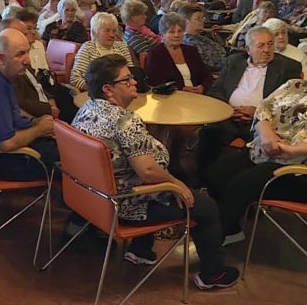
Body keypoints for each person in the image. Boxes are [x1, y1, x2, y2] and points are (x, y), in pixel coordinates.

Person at [72, 54, 239, 289]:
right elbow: (149, 171)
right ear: (108, 89)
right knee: (207, 207)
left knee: (146, 182)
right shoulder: (125, 121)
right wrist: (176, 183)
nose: (134, 82)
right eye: (126, 80)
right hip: (122, 204)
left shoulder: (86, 110)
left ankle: (141, 250)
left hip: (93, 199)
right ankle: (214, 274)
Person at [205, 78, 307, 246]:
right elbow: (263, 108)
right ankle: (231, 231)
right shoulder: (295, 85)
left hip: (298, 170)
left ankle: (212, 245)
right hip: (264, 153)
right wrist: (267, 135)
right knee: (216, 174)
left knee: (241, 185)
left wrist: (294, 151)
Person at [197, 27, 302, 183]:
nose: (267, 50)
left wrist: (257, 113)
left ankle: (240, 181)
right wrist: (227, 110)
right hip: (228, 117)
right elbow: (216, 91)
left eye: (270, 44)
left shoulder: (289, 67)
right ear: (248, 49)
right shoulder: (234, 61)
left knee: (249, 151)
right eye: (261, 46)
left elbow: (288, 105)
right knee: (208, 133)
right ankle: (203, 182)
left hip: (262, 124)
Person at [0, 28, 58, 181]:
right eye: (20, 54)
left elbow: (13, 110)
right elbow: (6, 144)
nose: (27, 60)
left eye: (27, 52)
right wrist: (39, 129)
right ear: (1, 58)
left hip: (24, 148)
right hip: (15, 160)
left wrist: (35, 121)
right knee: (79, 162)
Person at [146, 13, 213, 93]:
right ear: (162, 34)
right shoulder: (155, 54)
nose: (176, 35)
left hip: (198, 95)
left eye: (180, 31)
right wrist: (182, 89)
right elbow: (155, 83)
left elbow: (207, 76)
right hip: (172, 96)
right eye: (172, 32)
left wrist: (202, 87)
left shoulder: (191, 51)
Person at [70, 12, 134, 91]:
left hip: (123, 92)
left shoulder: (122, 46)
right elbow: (75, 79)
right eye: (107, 31)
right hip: (97, 93)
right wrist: (100, 91)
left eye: (114, 31)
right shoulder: (88, 48)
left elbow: (132, 74)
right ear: (95, 32)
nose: (112, 35)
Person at [178, 4, 226, 72]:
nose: (203, 21)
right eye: (198, 19)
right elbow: (209, 66)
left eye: (203, 18)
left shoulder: (200, 37)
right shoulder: (189, 44)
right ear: (186, 22)